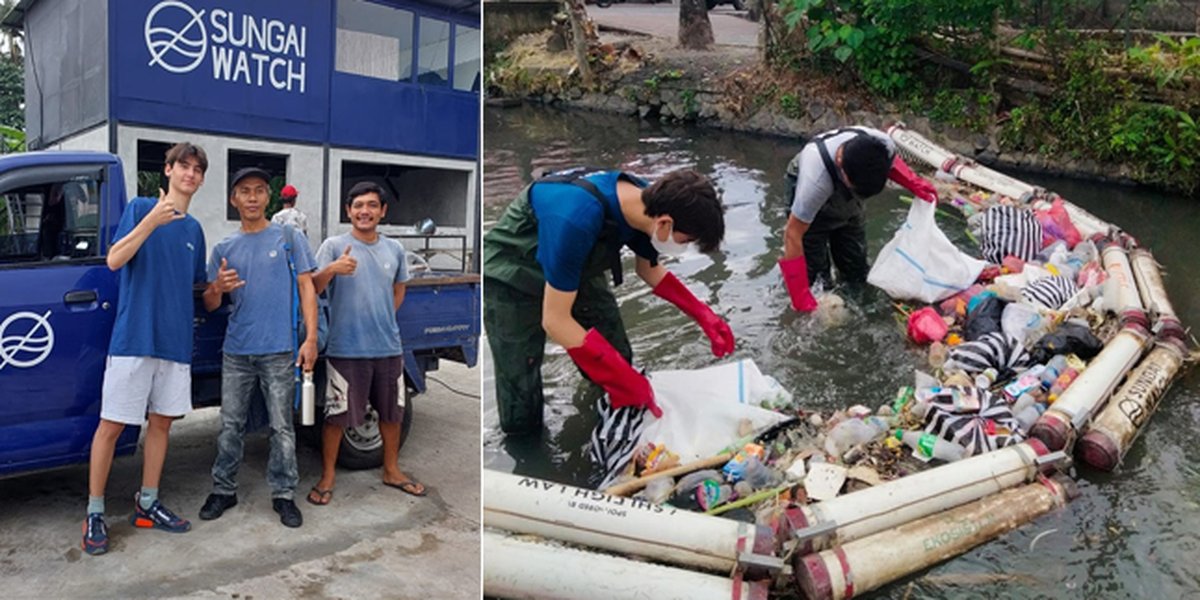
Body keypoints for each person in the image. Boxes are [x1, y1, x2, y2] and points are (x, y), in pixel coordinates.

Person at [482, 167, 733, 437]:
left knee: (617, 354)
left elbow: (648, 269)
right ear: (665, 224)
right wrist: (625, 381)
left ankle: (606, 423)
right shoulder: (575, 218)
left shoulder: (651, 202)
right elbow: (555, 320)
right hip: (513, 275)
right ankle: (526, 452)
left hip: (578, 268)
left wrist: (703, 315)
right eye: (687, 240)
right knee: (521, 387)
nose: (683, 246)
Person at [82, 142, 208, 555]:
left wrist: (218, 289)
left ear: (201, 179)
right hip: (134, 338)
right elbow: (114, 260)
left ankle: (147, 503)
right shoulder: (139, 208)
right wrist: (152, 222)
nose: (190, 174)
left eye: (197, 169)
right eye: (183, 166)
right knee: (112, 426)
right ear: (167, 171)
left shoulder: (194, 231)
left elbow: (197, 290)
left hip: (174, 343)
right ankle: (95, 512)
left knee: (161, 424)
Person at [198, 167, 318, 528]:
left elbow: (307, 288)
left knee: (282, 427)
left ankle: (284, 494)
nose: (252, 198)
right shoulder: (224, 248)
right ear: (233, 199)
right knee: (229, 424)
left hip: (279, 349)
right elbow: (209, 304)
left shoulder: (288, 238)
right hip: (236, 351)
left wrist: (310, 339)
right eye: (244, 191)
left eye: (259, 191)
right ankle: (224, 489)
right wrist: (217, 286)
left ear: (269, 196)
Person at [305, 182, 424, 506]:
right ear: (348, 211)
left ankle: (392, 469)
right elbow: (312, 288)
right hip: (346, 348)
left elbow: (399, 289)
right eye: (358, 205)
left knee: (392, 413)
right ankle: (328, 476)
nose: (365, 211)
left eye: (372, 205)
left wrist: (382, 316)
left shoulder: (394, 250)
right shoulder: (333, 246)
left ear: (382, 211)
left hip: (388, 347)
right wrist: (332, 269)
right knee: (336, 416)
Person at [779, 126, 938, 312]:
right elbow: (793, 234)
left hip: (854, 179)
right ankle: (810, 291)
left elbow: (891, 161)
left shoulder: (881, 144)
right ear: (842, 169)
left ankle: (856, 301)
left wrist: (913, 182)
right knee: (815, 275)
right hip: (809, 179)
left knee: (856, 269)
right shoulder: (814, 182)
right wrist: (800, 297)